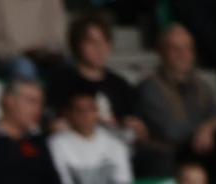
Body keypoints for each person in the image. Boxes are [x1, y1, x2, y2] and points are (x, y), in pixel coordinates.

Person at [136, 24, 216, 180]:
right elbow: (172, 131)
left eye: (187, 48)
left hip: (201, 148)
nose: (182, 54)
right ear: (162, 52)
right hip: (173, 152)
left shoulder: (200, 85)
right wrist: (203, 130)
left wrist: (208, 128)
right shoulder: (150, 87)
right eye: (175, 48)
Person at [47, 14, 145, 144]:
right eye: (91, 42)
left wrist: (136, 126)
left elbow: (135, 125)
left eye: (105, 41)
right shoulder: (62, 83)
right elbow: (55, 125)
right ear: (77, 45)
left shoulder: (120, 85)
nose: (100, 47)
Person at [0, 0, 68, 81]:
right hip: (7, 58)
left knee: (69, 64)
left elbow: (60, 37)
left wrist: (45, 50)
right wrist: (20, 51)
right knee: (24, 65)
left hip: (45, 56)